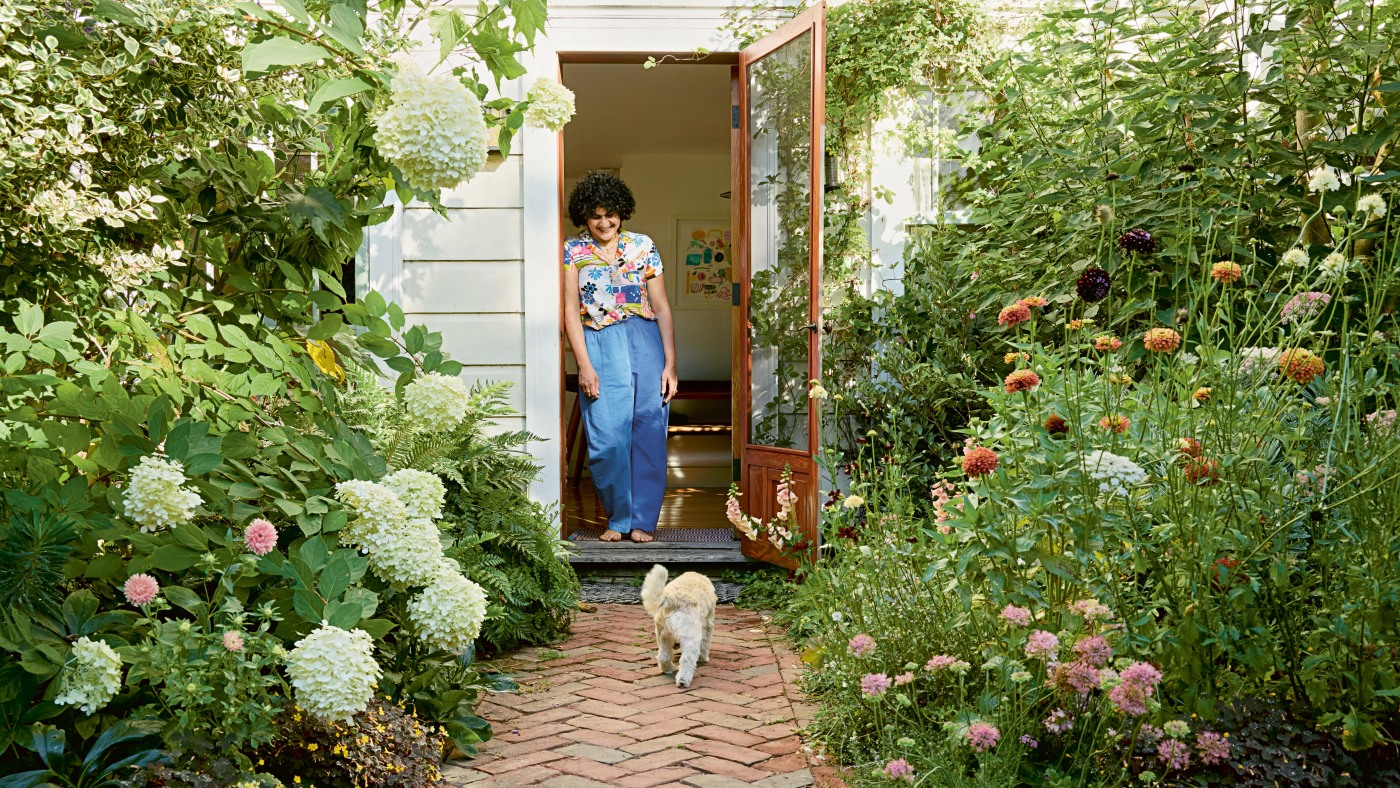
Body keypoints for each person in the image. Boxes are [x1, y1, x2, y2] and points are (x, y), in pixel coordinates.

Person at [563, 171, 678, 542]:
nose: (604, 222)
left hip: (645, 340)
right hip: (597, 340)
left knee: (648, 430)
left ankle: (643, 521)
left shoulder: (643, 246)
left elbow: (661, 305)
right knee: (605, 436)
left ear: (622, 212)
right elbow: (569, 311)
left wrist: (670, 363)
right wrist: (583, 364)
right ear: (585, 216)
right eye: (595, 215)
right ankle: (619, 517)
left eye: (610, 213)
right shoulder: (571, 252)